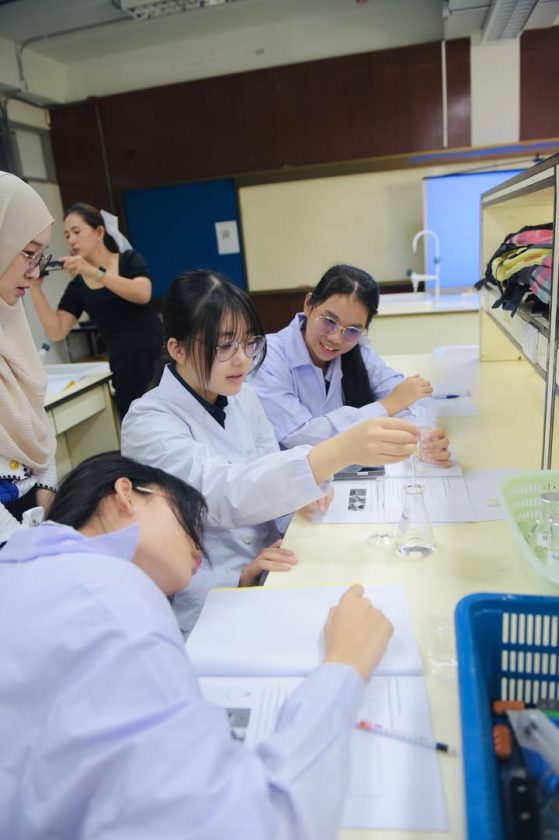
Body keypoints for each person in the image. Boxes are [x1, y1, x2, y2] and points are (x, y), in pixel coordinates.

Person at [0, 451, 394, 840]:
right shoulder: (109, 597)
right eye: (186, 521)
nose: (198, 548)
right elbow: (257, 826)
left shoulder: (31, 574)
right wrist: (344, 667)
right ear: (125, 495)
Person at [121, 269, 418, 634]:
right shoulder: (148, 421)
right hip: (213, 595)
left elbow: (266, 464)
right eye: (224, 347)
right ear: (176, 348)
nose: (243, 360)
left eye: (249, 343)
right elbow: (220, 493)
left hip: (271, 562)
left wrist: (299, 496)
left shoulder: (240, 395)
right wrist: (336, 452)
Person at [252, 264, 451, 465]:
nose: (336, 338)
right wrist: (388, 405)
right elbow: (300, 436)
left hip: (351, 472)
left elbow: (412, 398)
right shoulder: (268, 357)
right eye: (329, 320)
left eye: (353, 330)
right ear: (308, 304)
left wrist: (423, 437)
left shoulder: (359, 349)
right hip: (296, 476)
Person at [29, 203, 163, 419]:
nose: (71, 240)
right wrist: (35, 289)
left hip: (158, 361)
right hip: (125, 370)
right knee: (137, 430)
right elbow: (57, 330)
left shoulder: (128, 259)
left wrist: (93, 272)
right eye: (67, 235)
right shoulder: (78, 286)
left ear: (99, 232)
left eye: (76, 232)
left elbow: (142, 293)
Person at [0, 171, 57, 524]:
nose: (35, 273)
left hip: (31, 516)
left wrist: (46, 494)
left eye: (41, 258)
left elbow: (36, 420)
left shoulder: (11, 320)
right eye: (29, 254)